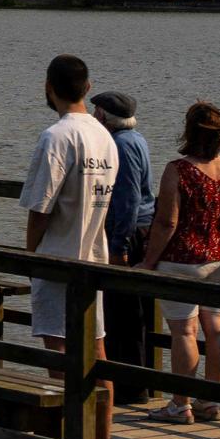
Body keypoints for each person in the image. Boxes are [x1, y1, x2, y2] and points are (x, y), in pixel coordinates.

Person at [21, 52, 119, 439]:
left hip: (58, 258)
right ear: (89, 88)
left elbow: (40, 209)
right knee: (97, 355)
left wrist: (30, 256)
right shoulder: (105, 136)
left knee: (59, 357)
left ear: (48, 87)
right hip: (94, 258)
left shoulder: (56, 137)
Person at [137, 101, 220, 425]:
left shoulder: (178, 170)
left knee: (185, 331)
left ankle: (179, 404)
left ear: (188, 132)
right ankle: (209, 402)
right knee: (217, 329)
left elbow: (166, 223)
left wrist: (149, 261)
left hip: (182, 262)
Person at [93, 91, 158, 403]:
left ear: (104, 117)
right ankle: (136, 383)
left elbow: (129, 198)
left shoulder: (121, 145)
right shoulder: (137, 139)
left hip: (129, 233)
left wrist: (119, 245)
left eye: (96, 113)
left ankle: (131, 388)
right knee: (132, 311)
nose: (93, 118)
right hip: (140, 230)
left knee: (124, 312)